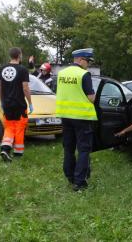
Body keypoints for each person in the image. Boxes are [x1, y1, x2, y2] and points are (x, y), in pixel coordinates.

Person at [55, 48, 97, 192]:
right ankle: (80, 182)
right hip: (82, 117)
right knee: (84, 149)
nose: (88, 65)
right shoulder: (84, 75)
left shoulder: (61, 74)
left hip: (65, 116)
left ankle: (70, 175)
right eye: (87, 61)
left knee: (68, 147)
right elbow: (91, 98)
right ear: (80, 59)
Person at [0, 47, 33, 162]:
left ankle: (5, 149)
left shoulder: (2, 69)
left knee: (9, 127)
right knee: (19, 128)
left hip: (7, 104)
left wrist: (1, 102)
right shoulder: (22, 69)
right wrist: (30, 103)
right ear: (19, 55)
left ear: (10, 56)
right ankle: (18, 154)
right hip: (19, 104)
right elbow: (25, 88)